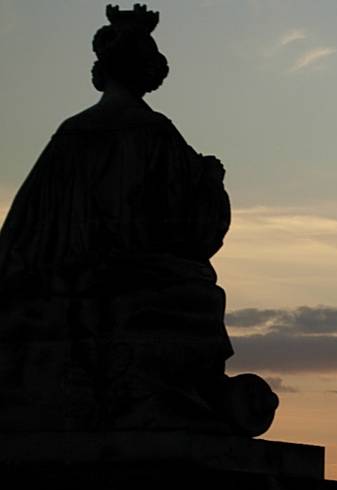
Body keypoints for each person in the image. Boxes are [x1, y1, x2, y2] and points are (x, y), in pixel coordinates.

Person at [0, 4, 277, 435]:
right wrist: (210, 181)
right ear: (149, 72)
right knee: (198, 294)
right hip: (132, 273)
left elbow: (22, 231)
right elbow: (189, 228)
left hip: (64, 279)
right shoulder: (155, 133)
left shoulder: (71, 133)